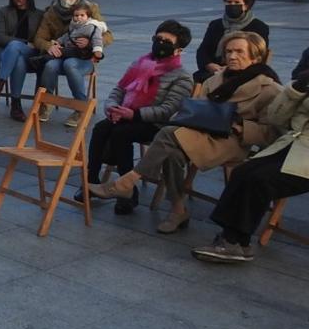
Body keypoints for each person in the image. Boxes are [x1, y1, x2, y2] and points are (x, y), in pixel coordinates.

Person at [92, 32, 281, 233]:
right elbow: (197, 110)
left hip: (232, 140)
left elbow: (272, 133)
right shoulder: (215, 80)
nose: (232, 56)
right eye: (229, 51)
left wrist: (240, 126)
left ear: (255, 57)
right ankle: (177, 210)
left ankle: (127, 182)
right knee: (171, 151)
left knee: (168, 133)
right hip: (202, 133)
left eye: (239, 52)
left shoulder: (269, 88)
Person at [74, 21, 194, 216]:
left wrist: (134, 114)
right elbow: (120, 89)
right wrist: (112, 107)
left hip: (154, 124)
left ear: (178, 50)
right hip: (126, 114)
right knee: (102, 128)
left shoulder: (181, 77)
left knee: (121, 133)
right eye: (158, 39)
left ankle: (127, 191)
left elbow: (167, 110)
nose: (160, 44)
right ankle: (90, 181)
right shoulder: (140, 64)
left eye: (167, 42)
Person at [192, 73, 309, 263]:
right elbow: (276, 119)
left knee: (261, 180)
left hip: (304, 159)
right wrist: (296, 91)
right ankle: (240, 243)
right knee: (242, 172)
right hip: (292, 146)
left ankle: (232, 241)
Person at [32, 0, 114, 128]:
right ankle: (47, 103)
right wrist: (49, 45)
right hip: (62, 53)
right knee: (50, 65)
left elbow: (108, 35)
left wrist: (90, 43)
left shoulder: (89, 8)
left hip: (84, 57)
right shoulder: (51, 12)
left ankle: (80, 107)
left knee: (70, 65)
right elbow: (39, 38)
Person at [0, 0, 43, 122]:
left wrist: (26, 44)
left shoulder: (39, 14)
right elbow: (0, 36)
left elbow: (41, 37)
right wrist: (22, 42)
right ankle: (16, 105)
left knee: (16, 47)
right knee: (18, 59)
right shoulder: (3, 11)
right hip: (9, 52)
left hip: (31, 52)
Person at [194, 0, 269, 84]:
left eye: (237, 3)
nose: (232, 5)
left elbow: (259, 54)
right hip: (213, 69)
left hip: (242, 71)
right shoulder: (215, 25)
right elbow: (203, 50)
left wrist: (230, 67)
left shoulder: (258, 27)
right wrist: (209, 65)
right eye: (229, 2)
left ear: (246, 6)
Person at [28, 3, 107, 69]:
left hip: (83, 52)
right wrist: (58, 41)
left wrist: (97, 51)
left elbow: (97, 39)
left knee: (62, 52)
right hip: (71, 49)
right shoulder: (74, 26)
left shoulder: (91, 27)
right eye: (76, 15)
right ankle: (41, 59)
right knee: (60, 51)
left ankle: (41, 60)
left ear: (88, 17)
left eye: (82, 15)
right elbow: (67, 36)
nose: (79, 17)